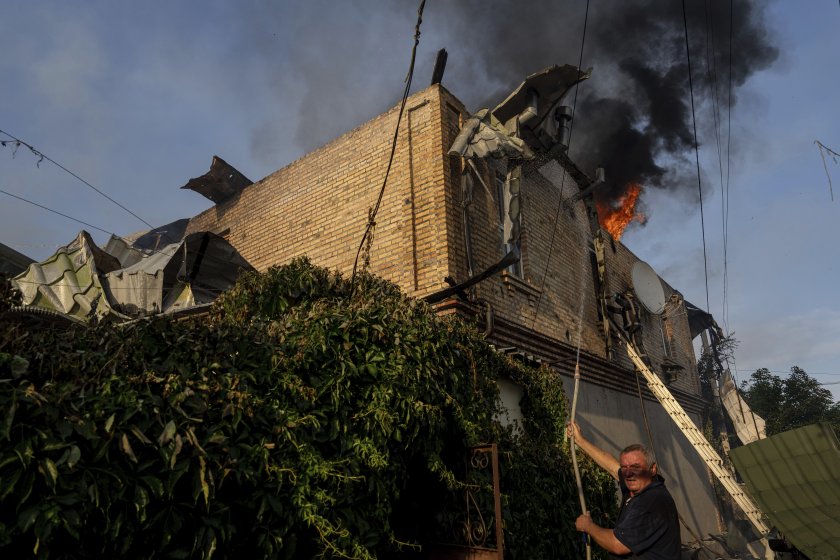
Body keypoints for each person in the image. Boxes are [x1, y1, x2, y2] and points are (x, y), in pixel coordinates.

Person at [567, 421, 680, 559]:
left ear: (652, 469)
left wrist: (588, 526)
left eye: (636, 467)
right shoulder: (639, 485)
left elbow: (618, 545)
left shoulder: (652, 501)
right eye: (625, 467)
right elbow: (613, 467)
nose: (628, 473)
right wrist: (580, 441)